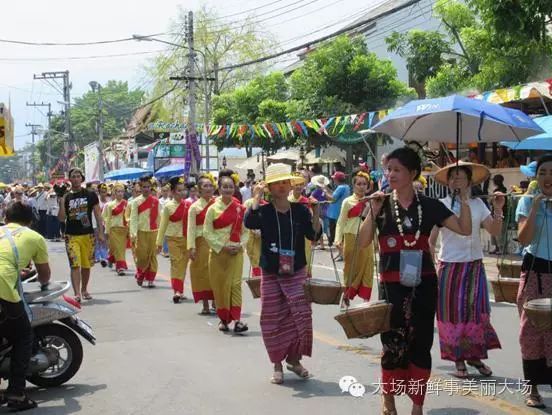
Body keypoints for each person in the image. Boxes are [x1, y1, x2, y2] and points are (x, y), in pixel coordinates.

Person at [358, 147, 472, 415]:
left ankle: (418, 404)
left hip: (424, 284)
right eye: (388, 169)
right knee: (393, 342)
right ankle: (388, 399)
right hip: (391, 284)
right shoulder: (381, 203)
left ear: (412, 173)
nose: (390, 175)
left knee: (421, 343)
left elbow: (465, 229)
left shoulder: (430, 206)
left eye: (397, 169)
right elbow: (363, 242)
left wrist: (464, 199)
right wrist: (371, 212)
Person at [244, 163, 322, 385]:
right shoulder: (264, 210)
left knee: (301, 316)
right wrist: (256, 198)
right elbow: (249, 222)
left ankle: (294, 361)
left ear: (290, 185)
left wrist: (316, 213)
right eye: (276, 183)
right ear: (269, 187)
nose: (281, 186)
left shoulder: (299, 210)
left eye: (284, 182)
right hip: (271, 271)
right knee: (272, 318)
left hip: (296, 269)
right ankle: (277, 364)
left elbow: (313, 234)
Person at [429, 162, 504, 379]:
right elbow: (432, 240)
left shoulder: (479, 204)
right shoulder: (441, 205)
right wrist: (431, 261)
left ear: (470, 181)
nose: (456, 181)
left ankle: (474, 356)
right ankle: (458, 358)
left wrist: (498, 208)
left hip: (474, 266)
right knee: (453, 314)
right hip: (450, 266)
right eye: (453, 177)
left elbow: (494, 230)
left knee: (475, 313)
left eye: (461, 177)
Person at [0, 202, 51, 411]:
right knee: (23, 336)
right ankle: (17, 394)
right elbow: (44, 274)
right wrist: (43, 282)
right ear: (30, 221)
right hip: (4, 290)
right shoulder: (34, 237)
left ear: (5, 219)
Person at [515, 154, 552, 409]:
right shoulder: (527, 202)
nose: (548, 178)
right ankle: (532, 388)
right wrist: (537, 208)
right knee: (531, 332)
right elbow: (524, 239)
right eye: (542, 173)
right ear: (536, 178)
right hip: (534, 273)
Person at [204, 169, 248, 333]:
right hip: (218, 254)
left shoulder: (240, 208)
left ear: (234, 188)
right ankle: (223, 319)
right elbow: (207, 232)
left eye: (231, 186)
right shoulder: (212, 209)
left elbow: (246, 232)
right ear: (219, 189)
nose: (228, 189)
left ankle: (237, 320)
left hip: (235, 253)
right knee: (221, 287)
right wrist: (222, 247)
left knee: (236, 285)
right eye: (225, 187)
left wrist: (240, 245)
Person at [58, 168, 103, 303]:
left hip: (87, 234)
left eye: (78, 176)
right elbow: (61, 218)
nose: (76, 178)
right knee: (75, 264)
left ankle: (84, 289)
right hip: (71, 235)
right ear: (69, 179)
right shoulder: (66, 196)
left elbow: (97, 214)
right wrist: (61, 203)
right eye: (73, 176)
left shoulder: (90, 194)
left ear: (81, 179)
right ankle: (77, 293)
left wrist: (100, 232)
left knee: (86, 265)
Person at [335, 169, 374, 302]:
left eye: (364, 184)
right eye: (359, 184)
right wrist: (338, 239)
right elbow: (341, 220)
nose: (361, 186)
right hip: (351, 237)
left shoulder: (371, 201)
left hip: (367, 238)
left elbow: (374, 222)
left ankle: (365, 300)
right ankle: (347, 295)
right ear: (354, 185)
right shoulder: (347, 201)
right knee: (349, 268)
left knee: (368, 266)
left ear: (367, 186)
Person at [156, 177, 191, 303]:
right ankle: (177, 290)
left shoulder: (188, 205)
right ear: (172, 192)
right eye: (178, 191)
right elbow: (163, 225)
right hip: (172, 239)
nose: (181, 193)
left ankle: (179, 290)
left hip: (186, 239)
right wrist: (159, 243)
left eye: (183, 190)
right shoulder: (167, 207)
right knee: (176, 264)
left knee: (183, 265)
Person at [187, 173, 216, 314]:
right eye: (205, 186)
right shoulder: (194, 207)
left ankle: (217, 301)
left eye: (210, 185)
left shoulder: (218, 203)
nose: (209, 188)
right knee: (202, 272)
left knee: (215, 271)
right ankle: (205, 303)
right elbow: (191, 229)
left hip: (216, 242)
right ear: (199, 190)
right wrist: (191, 247)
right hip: (200, 243)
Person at [129, 176, 160, 288]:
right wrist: (133, 233)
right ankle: (141, 274)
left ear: (151, 188)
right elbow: (133, 218)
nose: (146, 189)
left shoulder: (156, 201)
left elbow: (159, 218)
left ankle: (151, 279)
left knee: (152, 256)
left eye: (148, 187)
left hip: (154, 231)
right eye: (144, 187)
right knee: (141, 256)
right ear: (140, 188)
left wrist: (160, 235)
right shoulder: (135, 202)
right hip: (141, 232)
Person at [288, 174, 313, 276]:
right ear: (292, 186)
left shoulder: (308, 201)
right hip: (289, 235)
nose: (298, 187)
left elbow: (311, 218)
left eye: (301, 184)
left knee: (306, 260)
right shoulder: (287, 201)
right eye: (296, 184)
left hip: (305, 237)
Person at [102, 183, 128, 276]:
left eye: (121, 191)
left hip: (124, 229)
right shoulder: (110, 205)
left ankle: (112, 260)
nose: (120, 193)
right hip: (113, 229)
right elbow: (106, 218)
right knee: (117, 248)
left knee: (120, 249)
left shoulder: (126, 204)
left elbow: (129, 218)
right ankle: (120, 267)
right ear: (114, 193)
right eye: (118, 191)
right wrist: (107, 231)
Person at [325, 171, 350, 248]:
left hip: (335, 214)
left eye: (334, 179)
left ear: (336, 180)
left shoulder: (340, 187)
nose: (333, 180)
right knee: (340, 233)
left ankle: (341, 251)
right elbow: (334, 194)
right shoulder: (346, 186)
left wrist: (324, 192)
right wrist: (326, 189)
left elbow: (333, 199)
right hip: (340, 212)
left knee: (337, 234)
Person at [490, 174, 508, 254]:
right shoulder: (500, 190)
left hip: (501, 213)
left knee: (501, 232)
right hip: (495, 213)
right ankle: (497, 248)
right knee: (494, 232)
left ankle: (502, 249)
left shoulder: (501, 191)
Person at [94, 183, 110, 267]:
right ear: (99, 192)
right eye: (102, 192)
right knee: (97, 240)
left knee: (105, 240)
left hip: (107, 224)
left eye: (105, 192)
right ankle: (97, 256)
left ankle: (105, 256)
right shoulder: (97, 201)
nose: (104, 194)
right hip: (98, 223)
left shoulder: (109, 201)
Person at [158, 184, 171, 258]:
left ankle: (166, 250)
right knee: (162, 235)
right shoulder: (159, 201)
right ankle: (163, 249)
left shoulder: (170, 200)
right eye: (163, 191)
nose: (165, 192)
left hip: (168, 219)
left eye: (166, 191)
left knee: (167, 235)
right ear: (161, 192)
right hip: (161, 219)